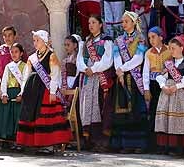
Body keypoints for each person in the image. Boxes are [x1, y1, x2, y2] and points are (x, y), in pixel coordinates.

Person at [16, 30, 72, 152]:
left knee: (44, 116)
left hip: (45, 91)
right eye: (34, 40)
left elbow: (55, 74)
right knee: (30, 114)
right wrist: (22, 90)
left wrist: (52, 91)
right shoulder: (32, 58)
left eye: (37, 40)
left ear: (45, 41)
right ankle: (30, 142)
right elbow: (26, 75)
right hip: (32, 90)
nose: (35, 43)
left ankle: (48, 145)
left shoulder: (51, 55)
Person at [110, 12, 149, 152]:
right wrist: (118, 70)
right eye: (122, 21)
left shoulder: (140, 38)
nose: (123, 24)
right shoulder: (118, 40)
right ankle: (124, 144)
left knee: (136, 110)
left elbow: (139, 58)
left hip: (134, 76)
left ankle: (138, 145)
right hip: (122, 77)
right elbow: (116, 56)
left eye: (126, 21)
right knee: (122, 110)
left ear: (134, 22)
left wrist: (123, 69)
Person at [77, 14, 115, 151]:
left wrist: (93, 69)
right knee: (87, 106)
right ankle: (89, 140)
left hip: (101, 77)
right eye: (89, 23)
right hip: (87, 77)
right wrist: (85, 68)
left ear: (100, 24)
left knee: (101, 107)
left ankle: (101, 141)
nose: (91, 25)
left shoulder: (107, 40)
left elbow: (108, 60)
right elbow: (80, 59)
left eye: (93, 22)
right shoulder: (86, 42)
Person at [154, 36, 184, 156]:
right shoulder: (169, 63)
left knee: (181, 119)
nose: (171, 51)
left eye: (173, 48)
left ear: (182, 48)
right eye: (170, 48)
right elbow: (160, 76)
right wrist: (163, 86)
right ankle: (169, 147)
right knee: (167, 119)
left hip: (181, 93)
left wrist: (176, 86)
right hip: (168, 93)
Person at [0, 42, 29, 145]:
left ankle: (19, 141)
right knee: (7, 116)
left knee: (18, 117)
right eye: (12, 52)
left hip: (18, 94)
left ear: (21, 53)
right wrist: (4, 94)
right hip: (9, 94)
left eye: (16, 52)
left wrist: (21, 94)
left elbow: (25, 81)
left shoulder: (25, 66)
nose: (14, 54)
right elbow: (4, 81)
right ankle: (7, 139)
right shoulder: (8, 66)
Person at [141, 26, 167, 151]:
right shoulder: (148, 53)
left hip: (165, 84)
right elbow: (145, 72)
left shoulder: (169, 50)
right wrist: (146, 89)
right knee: (153, 112)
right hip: (153, 84)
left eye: (153, 37)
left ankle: (165, 144)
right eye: (149, 37)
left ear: (161, 37)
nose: (151, 40)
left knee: (164, 112)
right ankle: (152, 144)